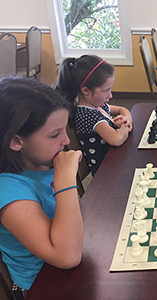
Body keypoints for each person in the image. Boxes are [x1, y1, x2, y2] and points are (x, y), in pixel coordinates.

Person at [0, 77, 84, 299]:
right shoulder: (8, 190)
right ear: (16, 141)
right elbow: (67, 257)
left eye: (65, 130)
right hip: (42, 287)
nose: (66, 140)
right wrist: (66, 182)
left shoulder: (43, 163)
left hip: (70, 271)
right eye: (54, 135)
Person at [54, 54, 132, 175]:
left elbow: (122, 109)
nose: (110, 95)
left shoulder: (98, 106)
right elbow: (116, 139)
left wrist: (126, 119)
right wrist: (124, 126)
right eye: (106, 90)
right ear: (85, 90)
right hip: (107, 172)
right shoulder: (88, 115)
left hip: (115, 160)